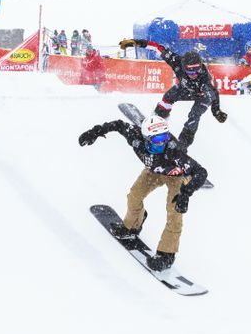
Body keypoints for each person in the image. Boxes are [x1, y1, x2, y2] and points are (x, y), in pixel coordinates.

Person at [78, 115, 209, 271]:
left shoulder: (174, 152)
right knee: (134, 195)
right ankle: (132, 226)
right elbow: (119, 125)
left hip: (177, 176)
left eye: (165, 136)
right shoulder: (136, 137)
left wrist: (185, 193)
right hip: (153, 171)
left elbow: (201, 172)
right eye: (157, 139)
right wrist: (96, 131)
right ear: (146, 138)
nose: (163, 142)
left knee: (174, 211)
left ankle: (167, 254)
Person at [118, 38, 228, 148]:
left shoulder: (204, 79)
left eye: (197, 69)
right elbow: (158, 47)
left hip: (202, 95)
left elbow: (214, 93)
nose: (194, 74)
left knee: (194, 115)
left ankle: (183, 144)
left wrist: (216, 111)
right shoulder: (176, 61)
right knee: (168, 97)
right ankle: (157, 118)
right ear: (184, 67)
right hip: (184, 89)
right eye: (190, 70)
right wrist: (136, 43)